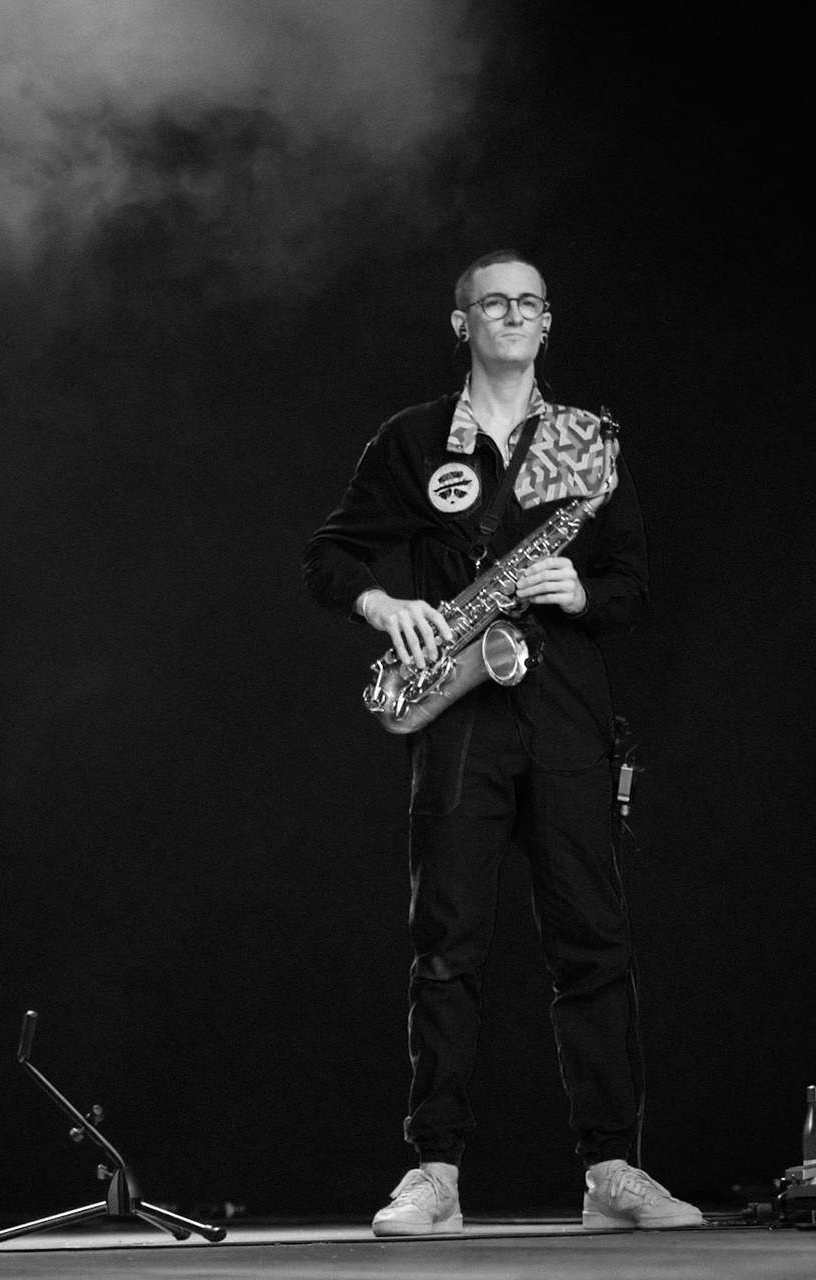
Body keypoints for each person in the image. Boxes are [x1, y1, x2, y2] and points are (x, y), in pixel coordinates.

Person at [301, 251, 703, 1236]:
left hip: (566, 714)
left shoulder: (581, 440)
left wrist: (583, 591)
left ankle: (611, 1169)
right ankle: (434, 1172)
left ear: (548, 321)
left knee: (594, 945)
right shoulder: (414, 439)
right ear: (463, 322)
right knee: (445, 949)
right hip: (458, 716)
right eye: (494, 302)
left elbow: (632, 586)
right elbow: (331, 554)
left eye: (529, 302)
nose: (513, 314)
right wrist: (385, 604)